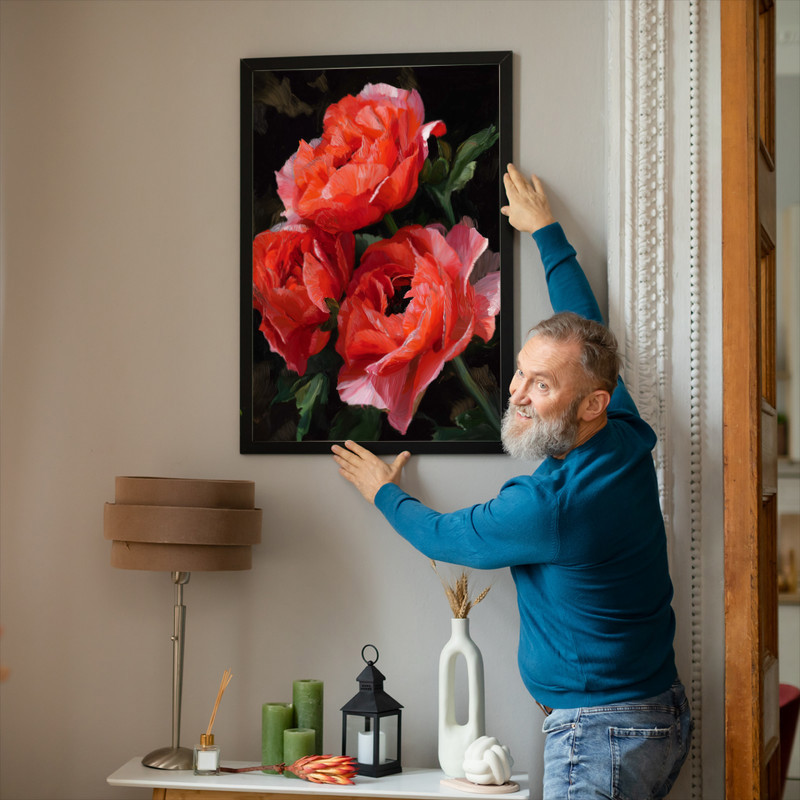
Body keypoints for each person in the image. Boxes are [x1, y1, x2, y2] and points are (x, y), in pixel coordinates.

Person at [331, 164, 692, 799]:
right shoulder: (625, 435)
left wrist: (383, 491)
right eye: (522, 371)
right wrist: (547, 232)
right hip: (655, 717)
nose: (517, 394)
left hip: (600, 738)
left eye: (540, 385)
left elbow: (447, 536)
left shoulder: (550, 505)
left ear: (591, 404)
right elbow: (584, 329)